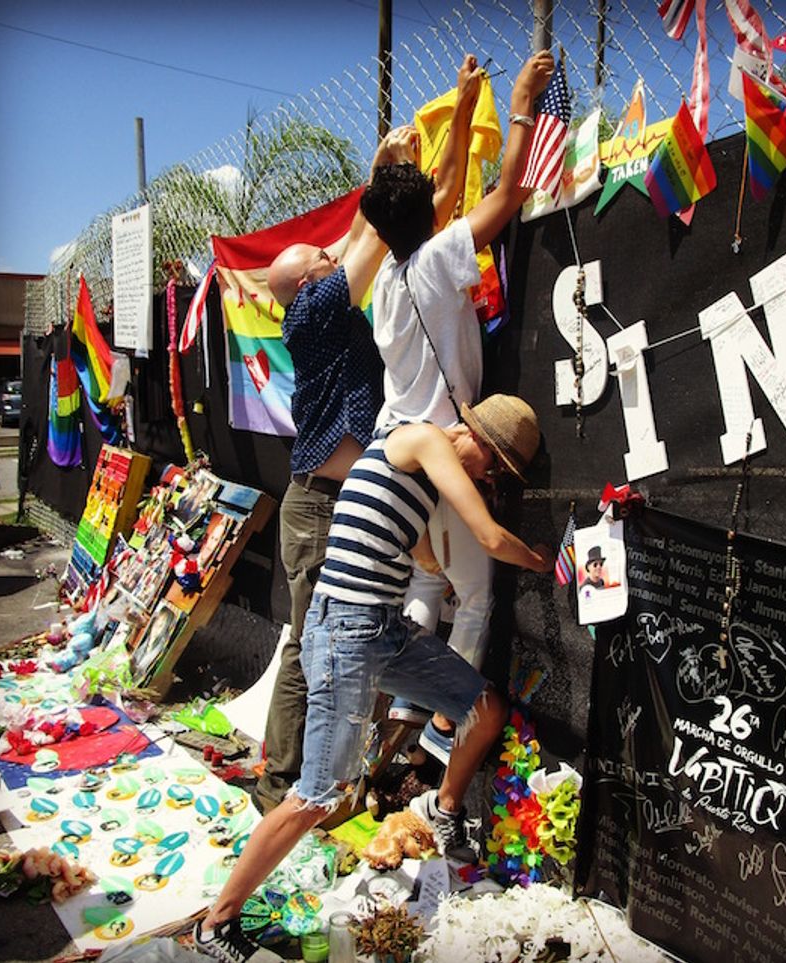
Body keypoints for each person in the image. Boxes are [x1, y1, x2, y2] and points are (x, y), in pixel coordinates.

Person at [194, 395, 554, 962]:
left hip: (381, 627)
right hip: (346, 630)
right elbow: (486, 535)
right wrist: (541, 561)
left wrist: (438, 573)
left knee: (485, 711)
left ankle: (444, 808)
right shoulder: (426, 439)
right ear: (478, 440)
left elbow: (413, 543)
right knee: (316, 797)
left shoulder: (414, 471)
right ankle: (217, 923)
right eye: (494, 468)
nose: (488, 479)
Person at [361, 49, 555, 764]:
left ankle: (403, 703)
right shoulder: (442, 258)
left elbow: (439, 193)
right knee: (473, 595)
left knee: (426, 578)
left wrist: (467, 100)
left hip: (395, 453)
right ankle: (444, 723)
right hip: (449, 450)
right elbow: (503, 196)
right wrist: (521, 102)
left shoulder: (385, 277)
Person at [252, 122, 420, 813]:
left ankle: (315, 781)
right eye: (324, 257)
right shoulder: (314, 313)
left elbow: (356, 238)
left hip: (334, 504)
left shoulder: (324, 304)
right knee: (311, 647)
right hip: (320, 504)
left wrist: (381, 167)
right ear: (307, 282)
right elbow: (371, 239)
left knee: (329, 646)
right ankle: (283, 786)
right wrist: (387, 172)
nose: (335, 254)